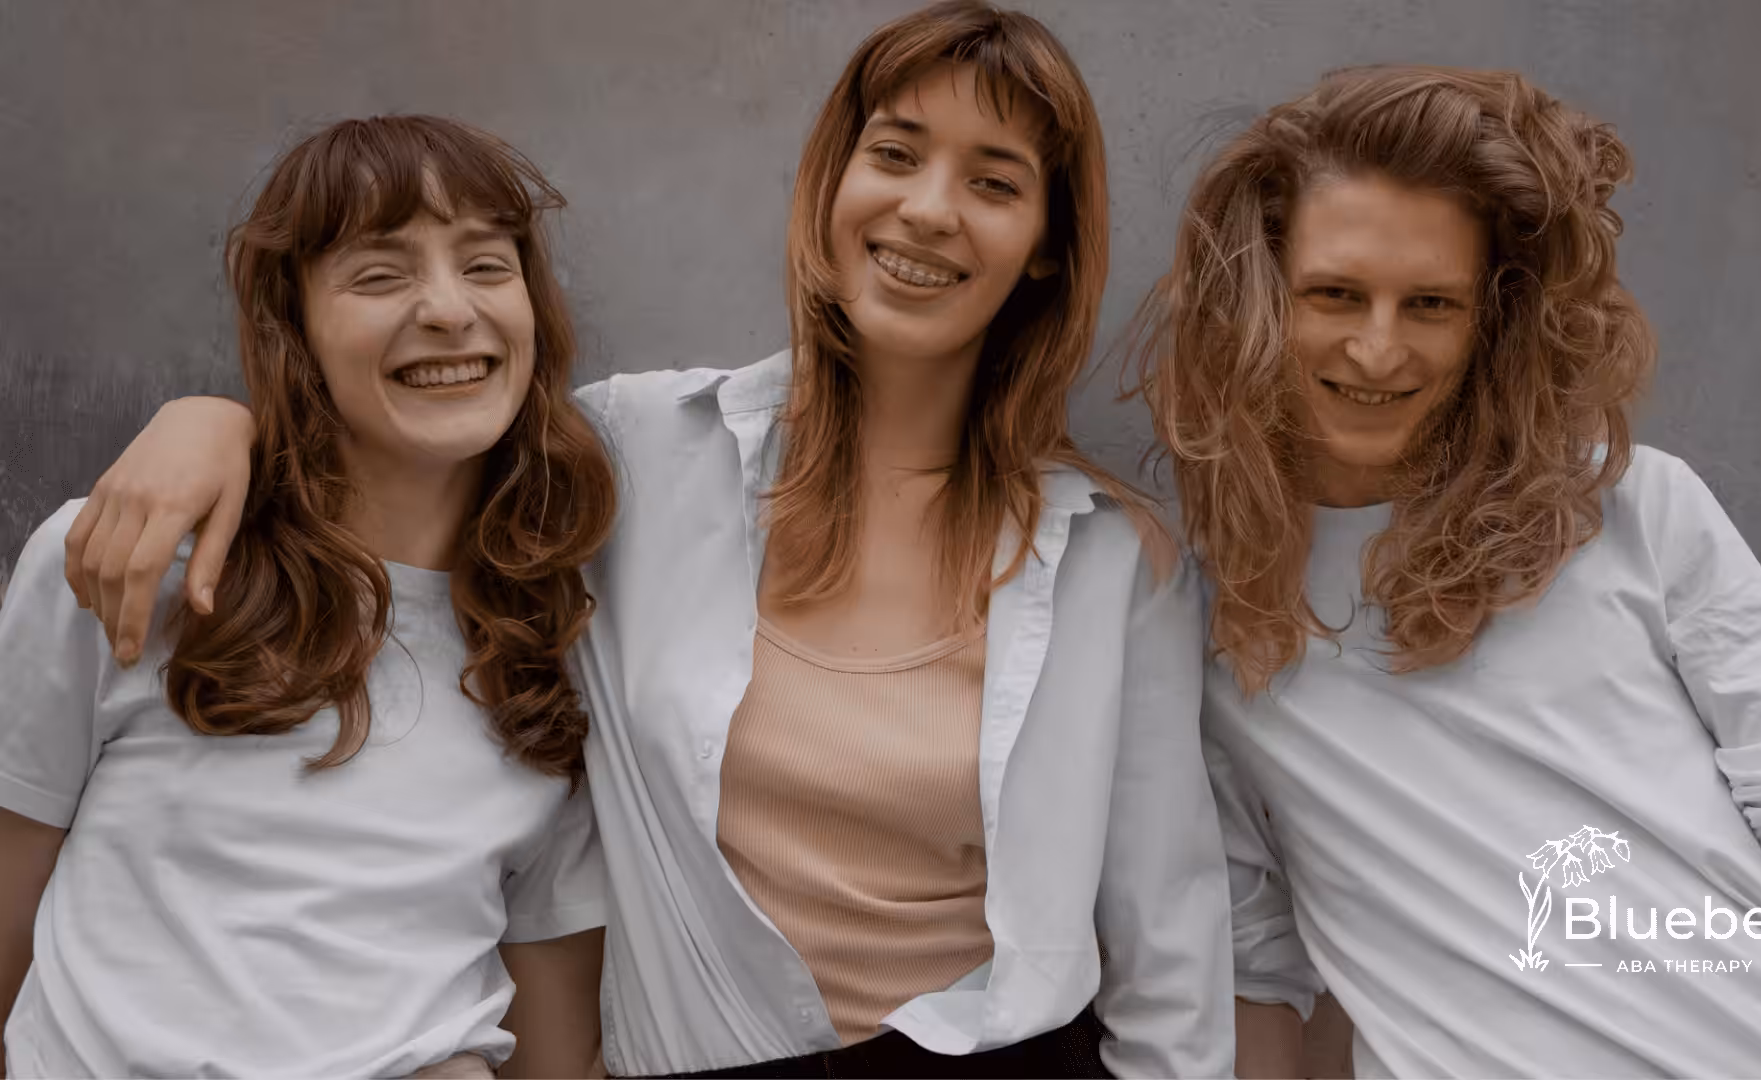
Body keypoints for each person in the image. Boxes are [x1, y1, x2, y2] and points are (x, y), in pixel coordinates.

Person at [53, 4, 1235, 1077]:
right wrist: (216, 422)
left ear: (1044, 244)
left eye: (994, 180)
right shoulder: (634, 453)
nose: (927, 208)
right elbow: (414, 408)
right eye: (895, 153)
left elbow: (1171, 957)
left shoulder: (1114, 561)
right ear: (833, 183)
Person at [1134, 64, 1761, 1078]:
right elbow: (1259, 964)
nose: (1378, 350)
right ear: (1259, 296)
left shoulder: (1635, 505)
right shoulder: (1202, 613)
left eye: (1429, 304)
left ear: (1489, 319)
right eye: (1335, 294)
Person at [0, 116, 613, 1078]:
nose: (450, 310)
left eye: (487, 265)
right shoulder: (137, 562)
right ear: (295, 328)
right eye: (380, 274)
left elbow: (558, 1046)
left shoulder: (557, 640)